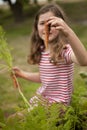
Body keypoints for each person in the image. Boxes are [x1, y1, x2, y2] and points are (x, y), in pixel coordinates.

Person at [13, 3, 87, 106]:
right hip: (43, 101)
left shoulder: (64, 50)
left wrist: (68, 32)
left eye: (51, 23)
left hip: (58, 106)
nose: (47, 28)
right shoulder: (42, 50)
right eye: (42, 23)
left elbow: (84, 61)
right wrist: (22, 74)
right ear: (36, 27)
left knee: (14, 119)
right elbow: (44, 77)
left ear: (61, 26)